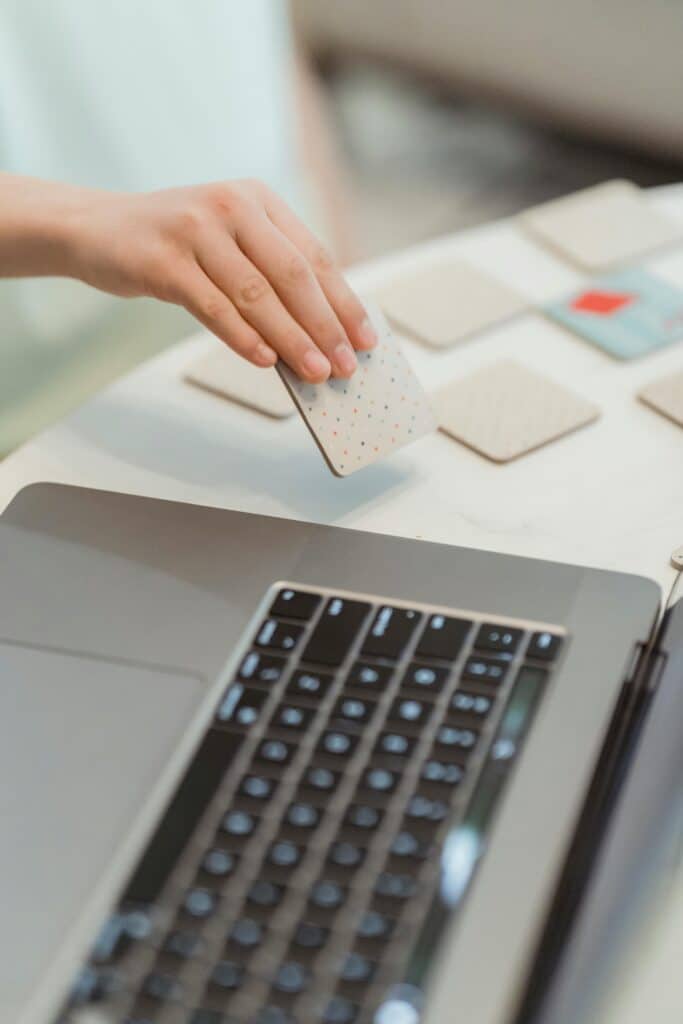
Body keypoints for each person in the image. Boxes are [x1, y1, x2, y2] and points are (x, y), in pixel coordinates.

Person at [0, 0, 369, 453]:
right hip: (51, 423)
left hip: (270, 400)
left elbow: (273, 60)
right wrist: (84, 221)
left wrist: (347, 272)